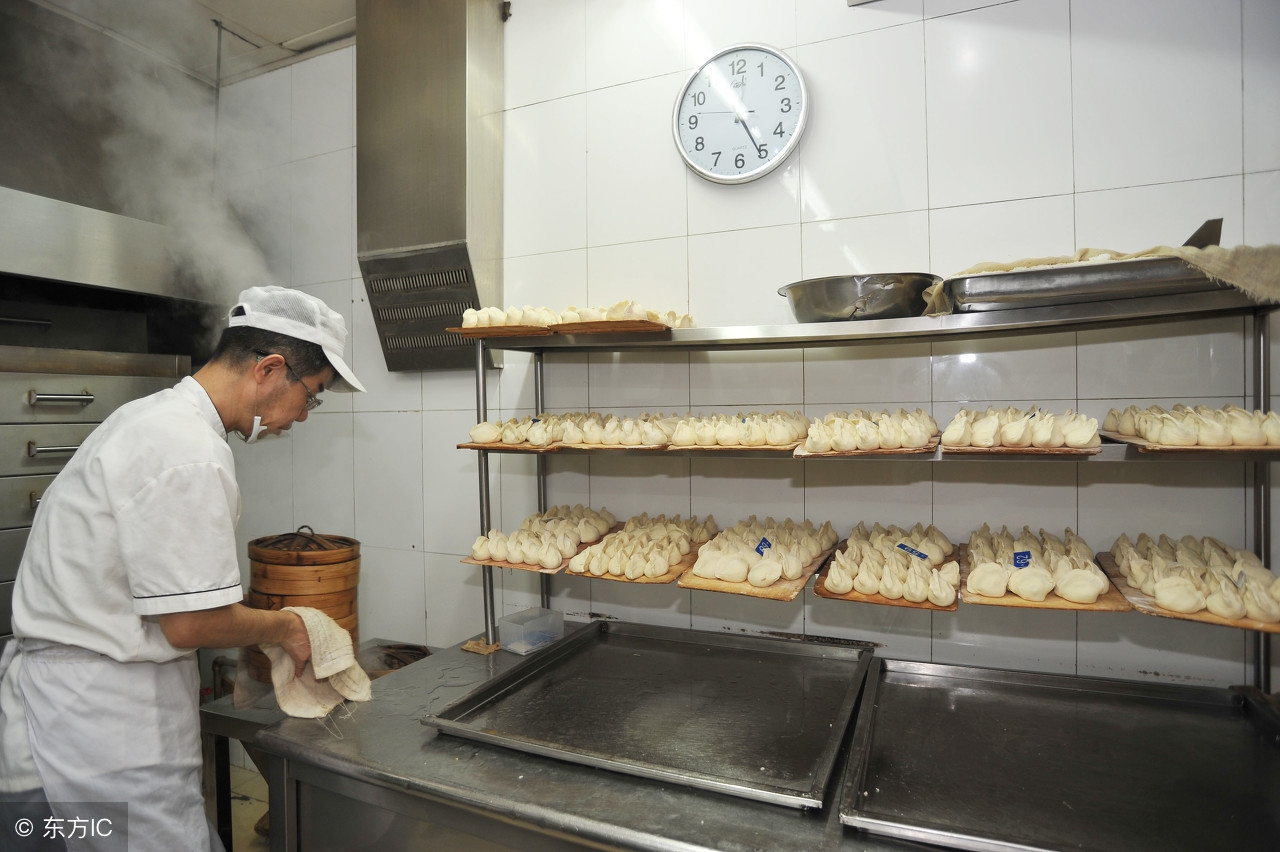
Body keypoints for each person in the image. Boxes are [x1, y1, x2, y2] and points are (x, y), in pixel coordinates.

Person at [0, 285, 365, 852]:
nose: (303, 416)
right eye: (312, 396)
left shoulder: (151, 419)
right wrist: (289, 626)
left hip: (67, 709)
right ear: (270, 368)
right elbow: (192, 624)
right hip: (106, 727)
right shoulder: (186, 450)